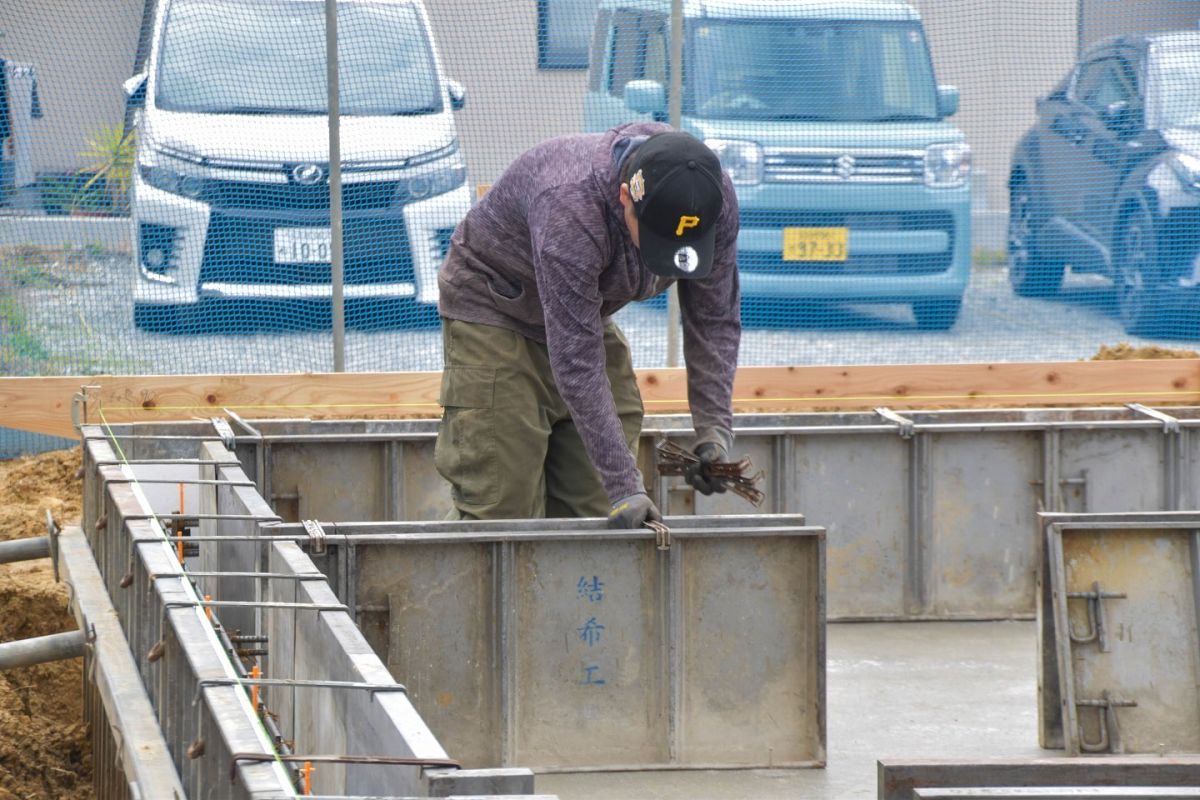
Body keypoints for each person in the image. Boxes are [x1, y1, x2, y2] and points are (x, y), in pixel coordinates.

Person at [435, 122, 740, 529]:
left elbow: (713, 318)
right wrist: (624, 485)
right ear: (624, 199)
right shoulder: (571, 204)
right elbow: (577, 362)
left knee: (601, 512)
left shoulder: (711, 196)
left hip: (583, 314)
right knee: (500, 511)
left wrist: (713, 431)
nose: (663, 259)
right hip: (497, 312)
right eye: (654, 240)